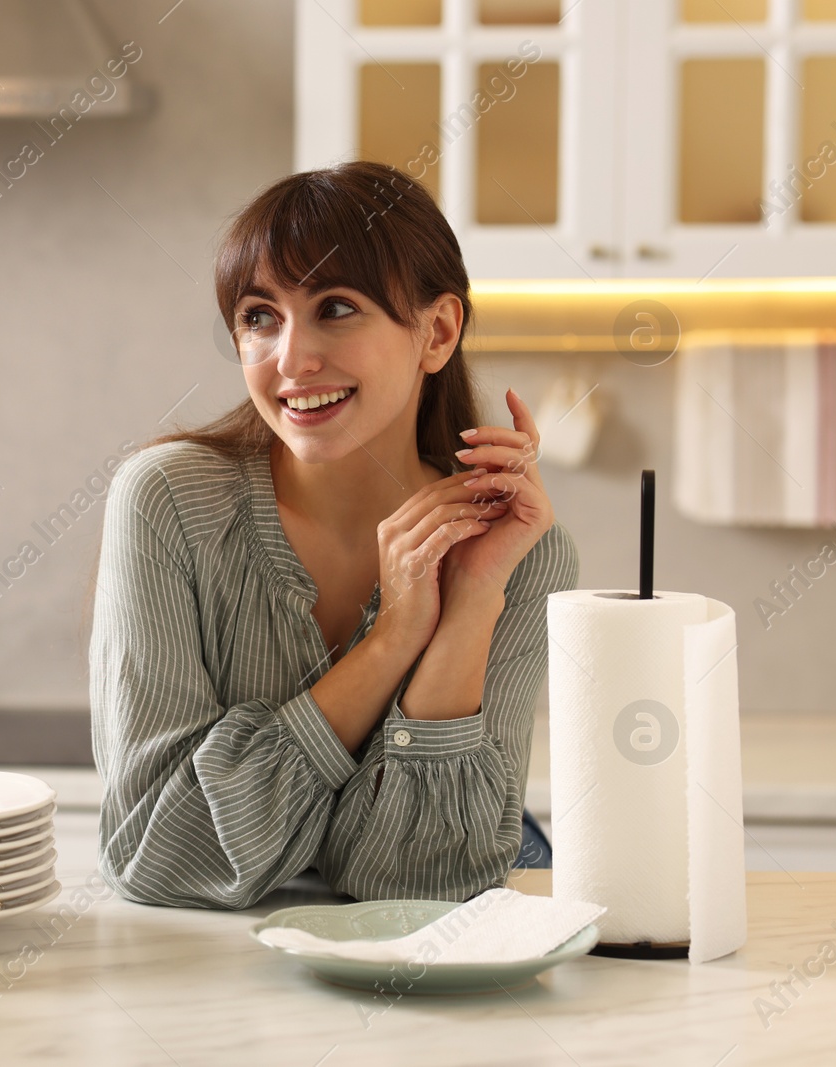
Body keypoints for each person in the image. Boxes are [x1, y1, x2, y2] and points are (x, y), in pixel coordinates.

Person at [88, 161, 576, 909]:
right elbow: (157, 854)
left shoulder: (518, 550)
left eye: (336, 307)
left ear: (437, 331)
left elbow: (422, 885)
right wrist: (391, 643)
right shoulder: (167, 503)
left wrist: (472, 596)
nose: (290, 359)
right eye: (260, 317)